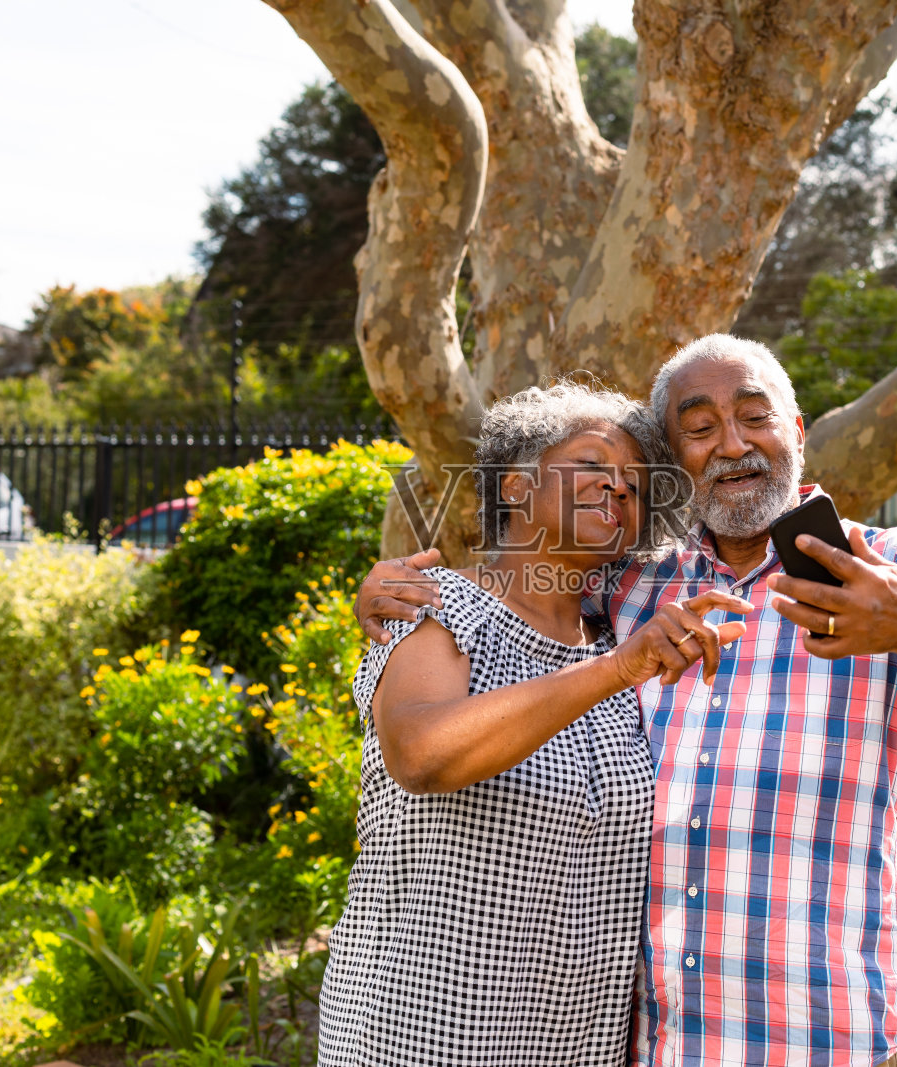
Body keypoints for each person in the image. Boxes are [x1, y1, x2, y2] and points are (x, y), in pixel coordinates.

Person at [357, 335, 897, 1066]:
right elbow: (518, 595)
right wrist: (394, 595)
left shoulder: (895, 566)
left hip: (827, 1034)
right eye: (700, 427)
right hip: (654, 1041)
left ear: (797, 432)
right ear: (677, 464)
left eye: (755, 415)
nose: (733, 443)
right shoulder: (628, 588)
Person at [317, 382, 755, 1067]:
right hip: (423, 1034)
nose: (617, 489)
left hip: (576, 1044)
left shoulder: (619, 640)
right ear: (518, 488)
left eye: (634, 487)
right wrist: (617, 669)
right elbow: (422, 753)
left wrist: (880, 808)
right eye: (593, 466)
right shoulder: (440, 607)